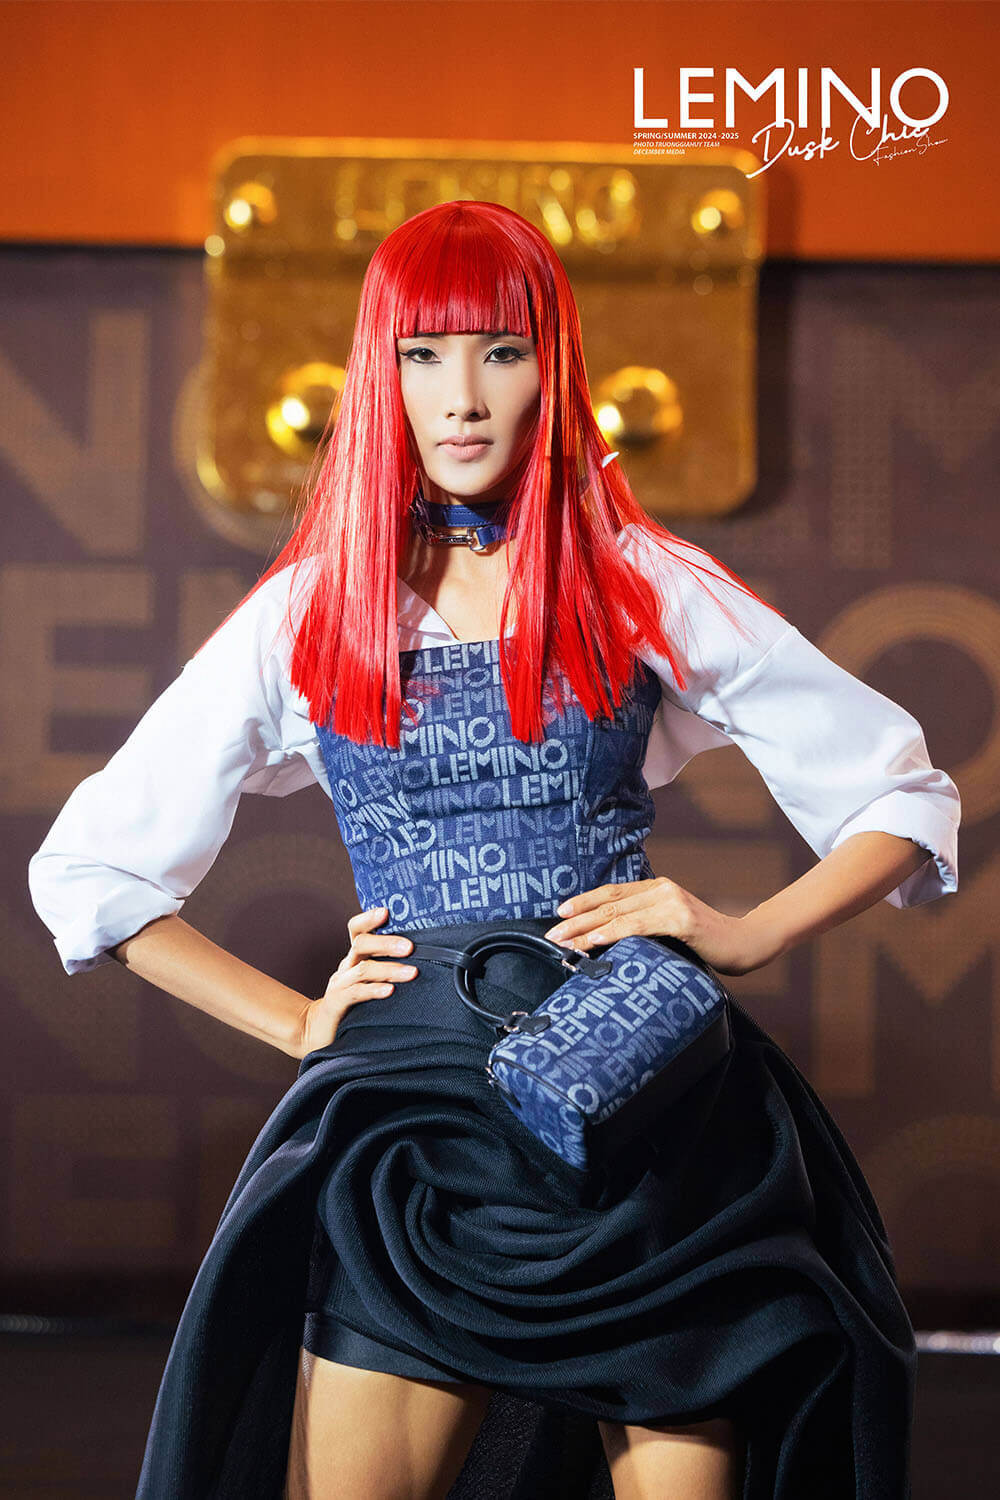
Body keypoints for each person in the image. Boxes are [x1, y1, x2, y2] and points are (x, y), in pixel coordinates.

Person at [28, 200, 960, 1500]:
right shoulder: (313, 610)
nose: (461, 396)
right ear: (381, 374)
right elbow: (93, 873)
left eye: (500, 351)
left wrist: (749, 932)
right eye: (422, 355)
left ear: (551, 368)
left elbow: (900, 795)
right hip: (412, 1137)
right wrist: (298, 1023)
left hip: (639, 1110)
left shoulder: (640, 582)